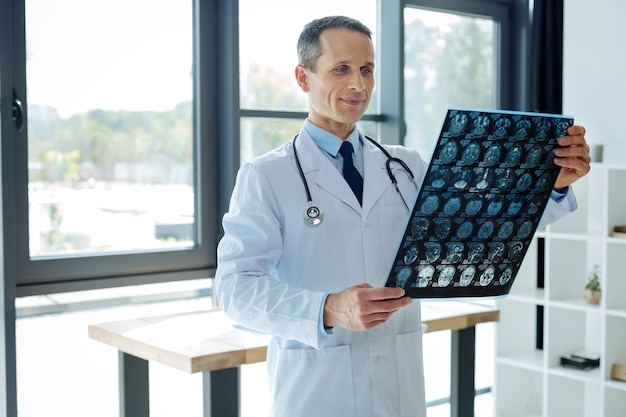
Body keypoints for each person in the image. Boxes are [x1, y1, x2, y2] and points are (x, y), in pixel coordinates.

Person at [215, 15, 591, 417]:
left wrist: (553, 184)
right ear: (304, 78)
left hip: (399, 386)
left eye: (367, 69)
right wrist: (327, 308)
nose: (358, 85)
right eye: (341, 69)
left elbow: (481, 231)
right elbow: (234, 288)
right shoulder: (267, 175)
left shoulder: (406, 165)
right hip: (316, 390)